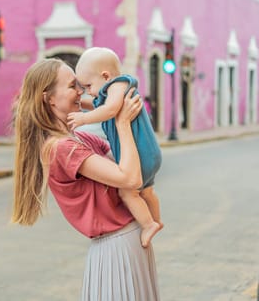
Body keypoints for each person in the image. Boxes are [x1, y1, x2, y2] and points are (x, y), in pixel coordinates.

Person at [11, 58, 160, 300]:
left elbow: (126, 159)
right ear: (49, 98)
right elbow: (130, 178)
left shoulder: (79, 139)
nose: (81, 91)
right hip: (116, 247)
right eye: (73, 86)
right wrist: (122, 123)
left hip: (125, 243)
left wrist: (114, 106)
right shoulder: (61, 148)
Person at [67, 47, 162, 248]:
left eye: (89, 85)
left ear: (105, 76)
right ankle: (157, 220)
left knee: (128, 193)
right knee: (147, 192)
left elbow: (109, 110)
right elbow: (101, 105)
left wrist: (83, 118)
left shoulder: (117, 85)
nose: (89, 92)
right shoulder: (114, 90)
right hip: (149, 152)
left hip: (140, 154)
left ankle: (148, 224)